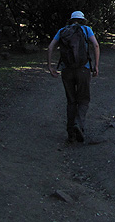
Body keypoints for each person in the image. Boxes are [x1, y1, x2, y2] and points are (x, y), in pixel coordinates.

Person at [47, 10, 100, 143]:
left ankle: (70, 133)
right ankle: (78, 124)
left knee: (71, 101)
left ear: (71, 20)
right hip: (83, 68)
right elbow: (96, 45)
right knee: (83, 100)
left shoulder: (62, 31)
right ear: (82, 20)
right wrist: (96, 65)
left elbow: (50, 47)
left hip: (67, 70)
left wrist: (50, 66)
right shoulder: (86, 30)